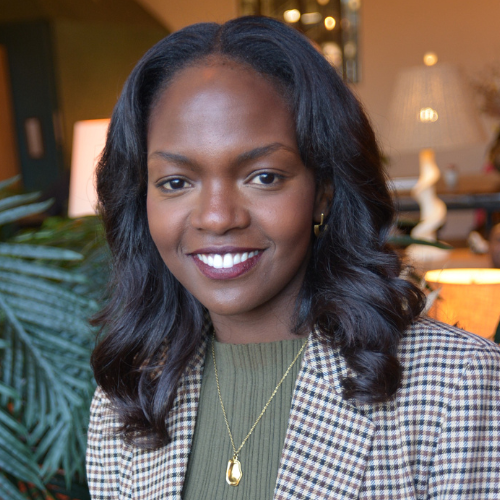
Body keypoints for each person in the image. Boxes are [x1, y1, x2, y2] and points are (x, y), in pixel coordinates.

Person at [86, 16, 500, 500]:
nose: (217, 218)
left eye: (264, 177)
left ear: (324, 190)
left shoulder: (458, 387)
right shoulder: (127, 400)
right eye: (176, 182)